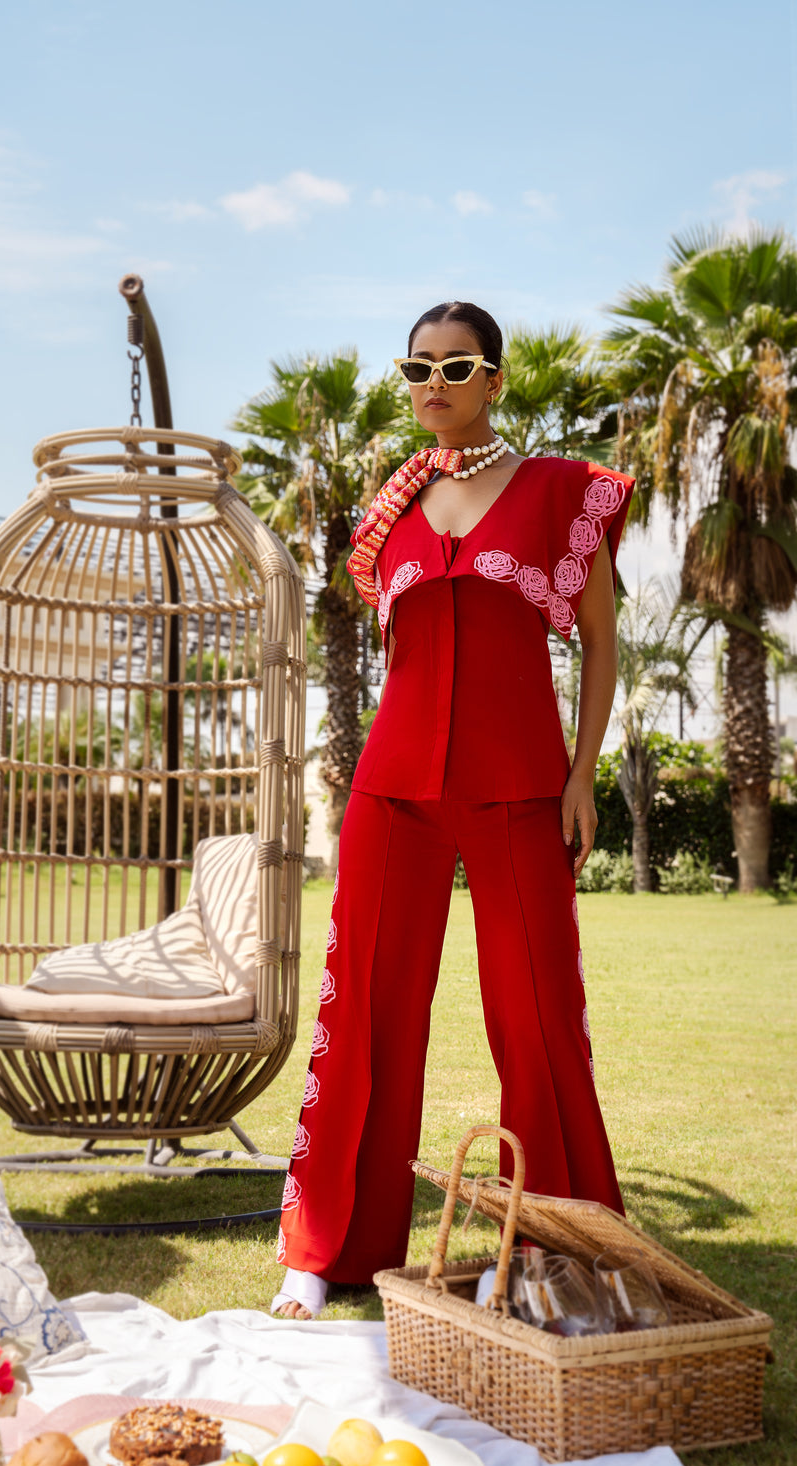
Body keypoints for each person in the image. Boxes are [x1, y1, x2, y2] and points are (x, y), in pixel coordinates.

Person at [271, 301, 633, 1320]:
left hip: (520, 789)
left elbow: (599, 642)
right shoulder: (390, 508)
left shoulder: (562, 491)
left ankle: (565, 1244)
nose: (433, 382)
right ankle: (329, 1246)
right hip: (392, 791)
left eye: (456, 365)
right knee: (368, 1013)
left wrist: (579, 774)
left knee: (537, 1020)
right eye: (416, 367)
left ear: (496, 379)